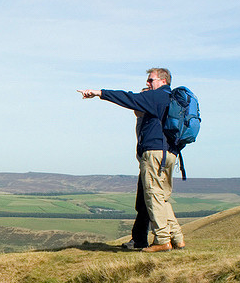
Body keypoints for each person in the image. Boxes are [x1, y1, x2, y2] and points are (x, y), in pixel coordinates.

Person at [78, 68, 185, 253]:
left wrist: (99, 93)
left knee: (153, 196)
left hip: (154, 152)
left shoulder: (156, 96)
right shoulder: (173, 99)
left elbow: (129, 98)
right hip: (171, 154)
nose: (148, 84)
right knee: (162, 197)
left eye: (151, 80)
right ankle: (177, 238)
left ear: (163, 80)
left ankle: (162, 240)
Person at [123, 90, 150, 250]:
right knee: (144, 204)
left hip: (151, 165)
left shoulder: (151, 119)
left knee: (147, 203)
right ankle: (139, 239)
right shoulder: (144, 119)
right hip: (146, 164)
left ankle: (141, 240)